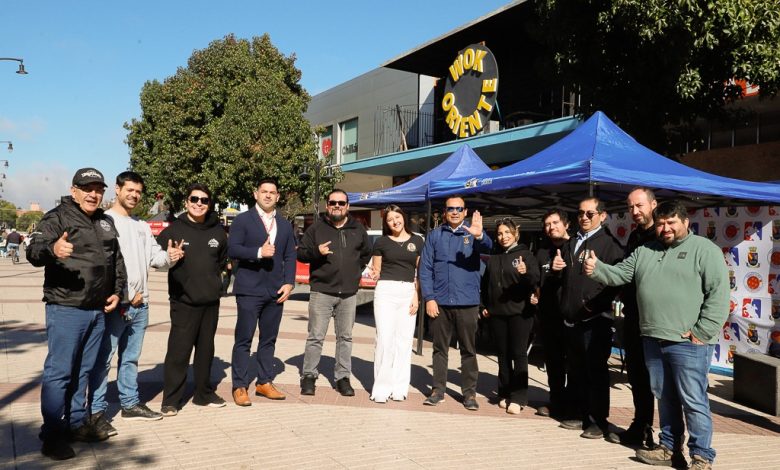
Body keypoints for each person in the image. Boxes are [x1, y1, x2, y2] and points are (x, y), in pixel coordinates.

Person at [585, 200, 729, 470]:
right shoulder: (644, 251)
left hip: (689, 342)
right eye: (661, 224)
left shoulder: (705, 250)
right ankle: (669, 449)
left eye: (671, 222)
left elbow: (718, 295)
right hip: (652, 338)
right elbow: (620, 274)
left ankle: (701, 457)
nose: (665, 228)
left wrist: (703, 331)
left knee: (693, 400)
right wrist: (598, 268)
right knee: (665, 398)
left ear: (685, 222)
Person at [27, 167, 126, 460]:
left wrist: (117, 291)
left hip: (97, 309)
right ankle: (52, 436)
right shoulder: (57, 217)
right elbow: (34, 251)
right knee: (60, 373)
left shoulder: (106, 221)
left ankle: (75, 424)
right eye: (87, 189)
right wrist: (52, 249)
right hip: (66, 307)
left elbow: (116, 260)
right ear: (74, 191)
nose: (93, 194)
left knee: (82, 371)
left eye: (98, 189)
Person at [88, 172, 183, 437]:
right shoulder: (104, 222)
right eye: (129, 190)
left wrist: (171, 257)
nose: (134, 195)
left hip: (142, 304)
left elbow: (155, 258)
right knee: (104, 359)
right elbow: (104, 266)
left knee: (130, 358)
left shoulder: (141, 225)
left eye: (138, 192)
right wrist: (126, 294)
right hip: (116, 304)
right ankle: (95, 411)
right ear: (117, 190)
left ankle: (130, 404)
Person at [157, 183, 228, 415]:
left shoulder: (218, 232)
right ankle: (171, 399)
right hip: (183, 302)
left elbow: (222, 263)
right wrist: (168, 257)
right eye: (194, 199)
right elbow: (156, 259)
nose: (199, 203)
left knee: (206, 352)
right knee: (178, 353)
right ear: (187, 202)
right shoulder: (173, 230)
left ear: (209, 204)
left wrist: (218, 285)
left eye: (204, 200)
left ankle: (203, 394)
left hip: (210, 302)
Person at [554, 197, 623, 439]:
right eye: (580, 213)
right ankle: (577, 413)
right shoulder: (571, 241)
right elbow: (564, 279)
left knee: (596, 372)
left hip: (595, 319)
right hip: (571, 318)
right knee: (575, 369)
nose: (584, 217)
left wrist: (592, 305)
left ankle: (597, 420)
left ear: (602, 216)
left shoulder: (610, 244)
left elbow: (617, 281)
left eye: (590, 213)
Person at [419, 195, 492, 410]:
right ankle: (437, 391)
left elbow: (489, 247)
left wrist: (480, 236)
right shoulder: (435, 235)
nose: (454, 212)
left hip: (467, 302)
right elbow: (425, 269)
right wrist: (429, 298)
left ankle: (469, 394)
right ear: (444, 212)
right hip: (440, 302)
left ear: (465, 211)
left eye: (459, 209)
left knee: (468, 349)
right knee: (439, 349)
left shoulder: (472, 232)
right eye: (450, 208)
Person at [228, 178, 296, 406]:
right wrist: (258, 252)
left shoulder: (284, 224)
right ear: (255, 194)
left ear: (278, 196)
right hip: (249, 289)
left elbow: (290, 255)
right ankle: (239, 385)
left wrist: (289, 283)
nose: (268, 195)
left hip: (275, 290)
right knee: (244, 339)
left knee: (269, 339)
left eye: (272, 192)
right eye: (264, 191)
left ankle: (264, 382)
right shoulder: (242, 220)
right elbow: (233, 249)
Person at [297, 189, 371, 396]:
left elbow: (366, 253)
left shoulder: (358, 228)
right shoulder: (316, 228)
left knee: (345, 337)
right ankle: (309, 375)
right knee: (315, 337)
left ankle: (342, 378)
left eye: (341, 203)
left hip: (348, 294)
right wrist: (317, 252)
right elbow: (301, 254)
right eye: (333, 203)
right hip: (322, 291)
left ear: (347, 206)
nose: (337, 206)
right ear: (327, 205)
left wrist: (354, 272)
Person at [606, 188, 657, 447]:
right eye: (630, 207)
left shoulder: (663, 234)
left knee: (661, 380)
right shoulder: (635, 235)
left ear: (653, 204)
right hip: (635, 316)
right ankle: (641, 426)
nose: (634, 211)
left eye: (639, 205)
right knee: (638, 376)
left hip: (659, 319)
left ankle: (669, 438)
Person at [480, 218, 539, 414]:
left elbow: (535, 279)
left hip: (520, 313)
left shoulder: (525, 255)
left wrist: (525, 272)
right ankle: (504, 393)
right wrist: (484, 305)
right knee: (503, 355)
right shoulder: (494, 256)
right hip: (497, 313)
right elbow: (486, 283)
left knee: (519, 354)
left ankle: (519, 397)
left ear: (515, 234)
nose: (503, 237)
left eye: (507, 232)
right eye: (499, 233)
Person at [369, 205, 424, 403]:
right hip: (386, 291)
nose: (395, 222)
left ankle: (400, 388)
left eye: (397, 217)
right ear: (386, 223)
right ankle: (381, 389)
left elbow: (420, 273)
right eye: (390, 219)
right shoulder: (381, 242)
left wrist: (417, 296)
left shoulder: (417, 241)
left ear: (403, 217)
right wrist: (374, 273)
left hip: (408, 291)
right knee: (384, 340)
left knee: (404, 341)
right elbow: (376, 269)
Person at [532, 209, 571, 419]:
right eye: (547, 224)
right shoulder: (542, 252)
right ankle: (556, 402)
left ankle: (573, 405)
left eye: (555, 223)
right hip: (549, 316)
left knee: (573, 364)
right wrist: (534, 293)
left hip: (572, 316)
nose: (551, 227)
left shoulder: (575, 247)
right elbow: (537, 281)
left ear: (566, 224)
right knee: (554, 363)